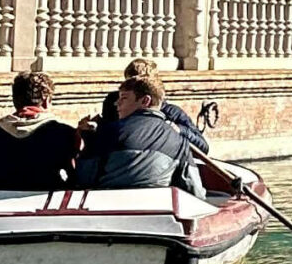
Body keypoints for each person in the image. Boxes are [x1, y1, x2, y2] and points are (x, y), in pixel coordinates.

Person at [70, 70, 202, 191]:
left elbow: (84, 178)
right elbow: (194, 190)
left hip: (110, 206)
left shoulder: (109, 132)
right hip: (158, 209)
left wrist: (88, 141)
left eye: (124, 98)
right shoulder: (180, 142)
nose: (117, 103)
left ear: (145, 101)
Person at [0, 68, 78, 189]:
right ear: (46, 101)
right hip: (44, 199)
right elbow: (77, 176)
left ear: (15, 101)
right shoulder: (62, 133)